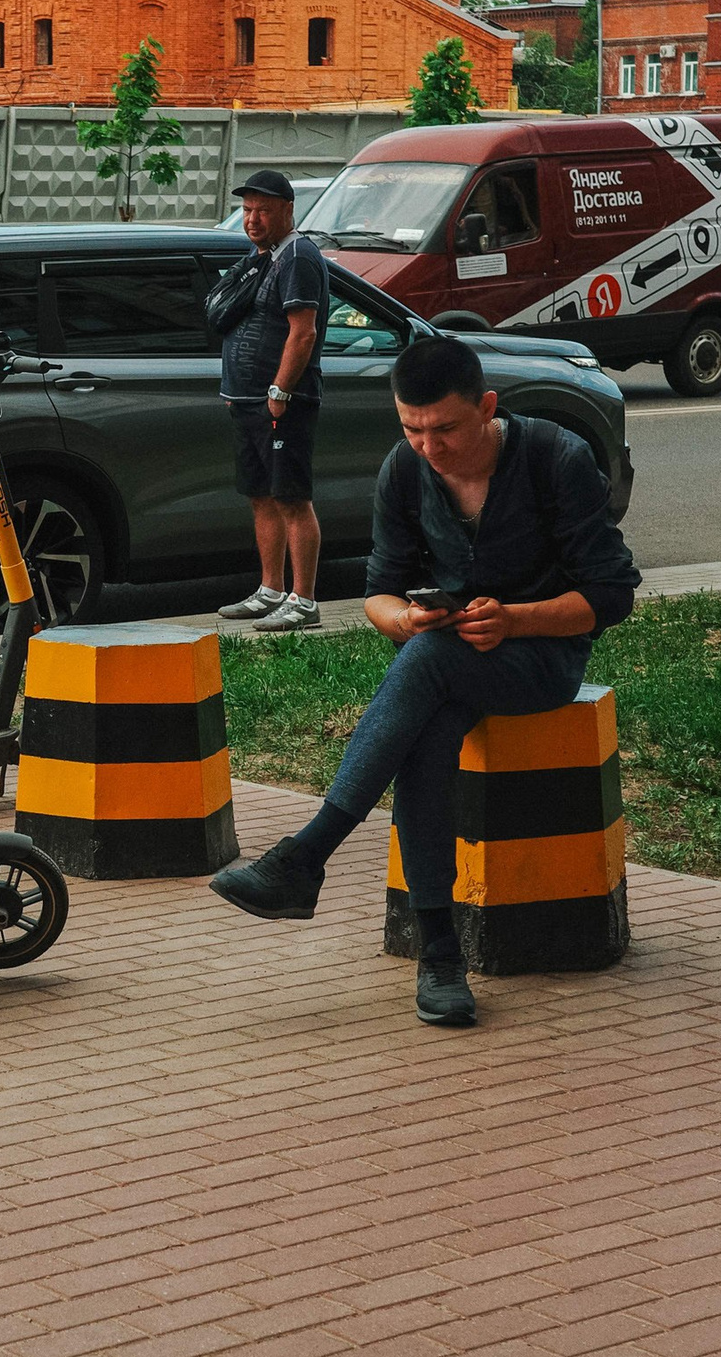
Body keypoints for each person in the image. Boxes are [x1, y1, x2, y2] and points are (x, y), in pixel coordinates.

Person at [210, 335, 639, 1027]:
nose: (430, 446)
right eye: (412, 429)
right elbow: (378, 593)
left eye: (446, 429)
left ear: (488, 408)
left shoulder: (556, 458)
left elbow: (613, 595)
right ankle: (439, 953)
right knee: (430, 723)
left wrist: (516, 619)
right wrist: (406, 619)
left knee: (431, 667)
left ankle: (309, 854)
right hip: (442, 663)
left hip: (543, 660)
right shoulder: (403, 471)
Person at [215, 169, 326, 633]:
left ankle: (304, 601)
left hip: (283, 401)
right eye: (246, 210)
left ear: (286, 209)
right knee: (260, 496)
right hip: (247, 401)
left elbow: (303, 332)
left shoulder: (298, 255)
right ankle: (270, 590)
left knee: (291, 498)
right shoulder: (262, 257)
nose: (252, 219)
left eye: (262, 210)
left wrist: (279, 391)